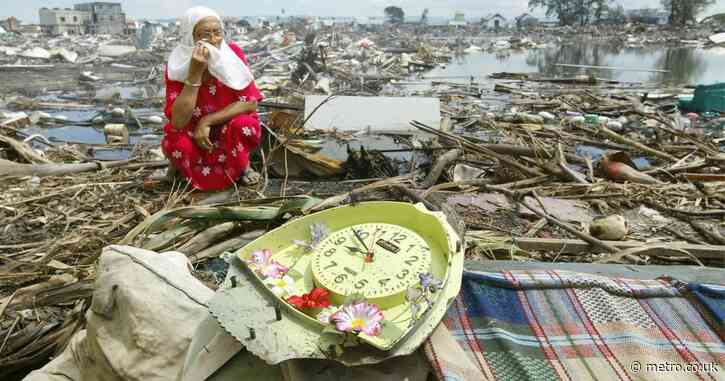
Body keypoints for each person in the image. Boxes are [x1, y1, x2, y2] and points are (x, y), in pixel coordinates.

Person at [162, 6, 263, 190]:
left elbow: (250, 102)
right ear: (189, 37)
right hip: (193, 131)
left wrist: (207, 121)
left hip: (228, 127)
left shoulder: (232, 54)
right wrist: (194, 74)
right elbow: (177, 121)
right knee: (175, 140)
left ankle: (242, 166)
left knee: (244, 125)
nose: (213, 41)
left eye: (217, 33)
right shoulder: (177, 65)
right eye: (205, 35)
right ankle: (183, 170)